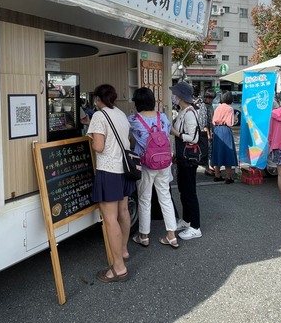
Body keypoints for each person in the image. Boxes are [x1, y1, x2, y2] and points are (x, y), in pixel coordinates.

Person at [87, 84, 134, 282]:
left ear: (98, 99)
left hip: (108, 171)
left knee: (110, 219)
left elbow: (98, 147)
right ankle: (123, 251)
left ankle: (118, 268)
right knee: (123, 212)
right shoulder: (121, 114)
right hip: (124, 170)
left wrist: (88, 138)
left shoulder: (99, 115)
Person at [128, 87, 179, 249]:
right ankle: (171, 235)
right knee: (165, 197)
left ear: (137, 103)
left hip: (145, 164)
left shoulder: (134, 120)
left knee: (144, 198)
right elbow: (170, 131)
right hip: (164, 162)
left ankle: (144, 235)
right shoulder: (162, 117)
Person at [170, 80, 203, 240]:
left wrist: (174, 132)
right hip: (183, 157)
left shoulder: (189, 113)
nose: (173, 97)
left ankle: (195, 227)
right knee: (184, 190)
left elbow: (193, 138)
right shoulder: (183, 111)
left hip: (189, 159)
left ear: (181, 96)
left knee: (190, 192)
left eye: (175, 94)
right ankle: (186, 220)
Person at [211, 90, 238, 184]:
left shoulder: (217, 108)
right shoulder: (230, 108)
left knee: (217, 152)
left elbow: (213, 120)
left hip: (217, 130)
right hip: (225, 130)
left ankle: (217, 175)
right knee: (228, 152)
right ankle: (228, 177)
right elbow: (230, 123)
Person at [198, 89, 216, 177]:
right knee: (207, 150)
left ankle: (210, 166)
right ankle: (207, 168)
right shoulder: (203, 106)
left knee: (210, 150)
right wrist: (208, 134)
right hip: (206, 132)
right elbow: (203, 122)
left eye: (212, 99)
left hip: (211, 130)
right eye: (210, 98)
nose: (211, 100)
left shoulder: (210, 106)